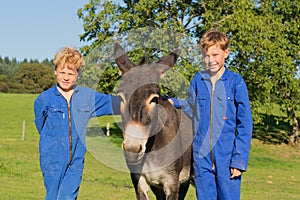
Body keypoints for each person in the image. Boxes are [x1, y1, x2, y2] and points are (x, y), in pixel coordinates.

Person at [171, 29, 253, 199]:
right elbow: (190, 106)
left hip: (227, 157)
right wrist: (173, 102)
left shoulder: (236, 82)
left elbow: (245, 124)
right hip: (202, 158)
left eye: (215, 55)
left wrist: (238, 160)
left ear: (226, 53)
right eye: (206, 56)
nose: (211, 60)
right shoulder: (198, 80)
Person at [34, 47, 120, 199]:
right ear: (55, 70)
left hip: (76, 160)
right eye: (62, 72)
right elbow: (41, 125)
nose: (66, 77)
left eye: (71, 73)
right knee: (53, 196)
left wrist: (155, 100)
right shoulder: (44, 99)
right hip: (52, 159)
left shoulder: (87, 96)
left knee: (68, 196)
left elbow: (115, 103)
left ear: (78, 74)